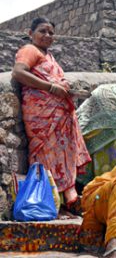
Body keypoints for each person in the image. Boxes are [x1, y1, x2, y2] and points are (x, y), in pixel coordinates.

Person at [11, 17, 91, 214]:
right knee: (46, 156)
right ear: (31, 33)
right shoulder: (30, 50)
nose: (47, 36)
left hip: (60, 114)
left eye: (51, 33)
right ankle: (47, 200)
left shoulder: (49, 56)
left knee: (62, 156)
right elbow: (18, 73)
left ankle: (66, 200)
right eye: (42, 31)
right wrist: (51, 87)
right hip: (42, 116)